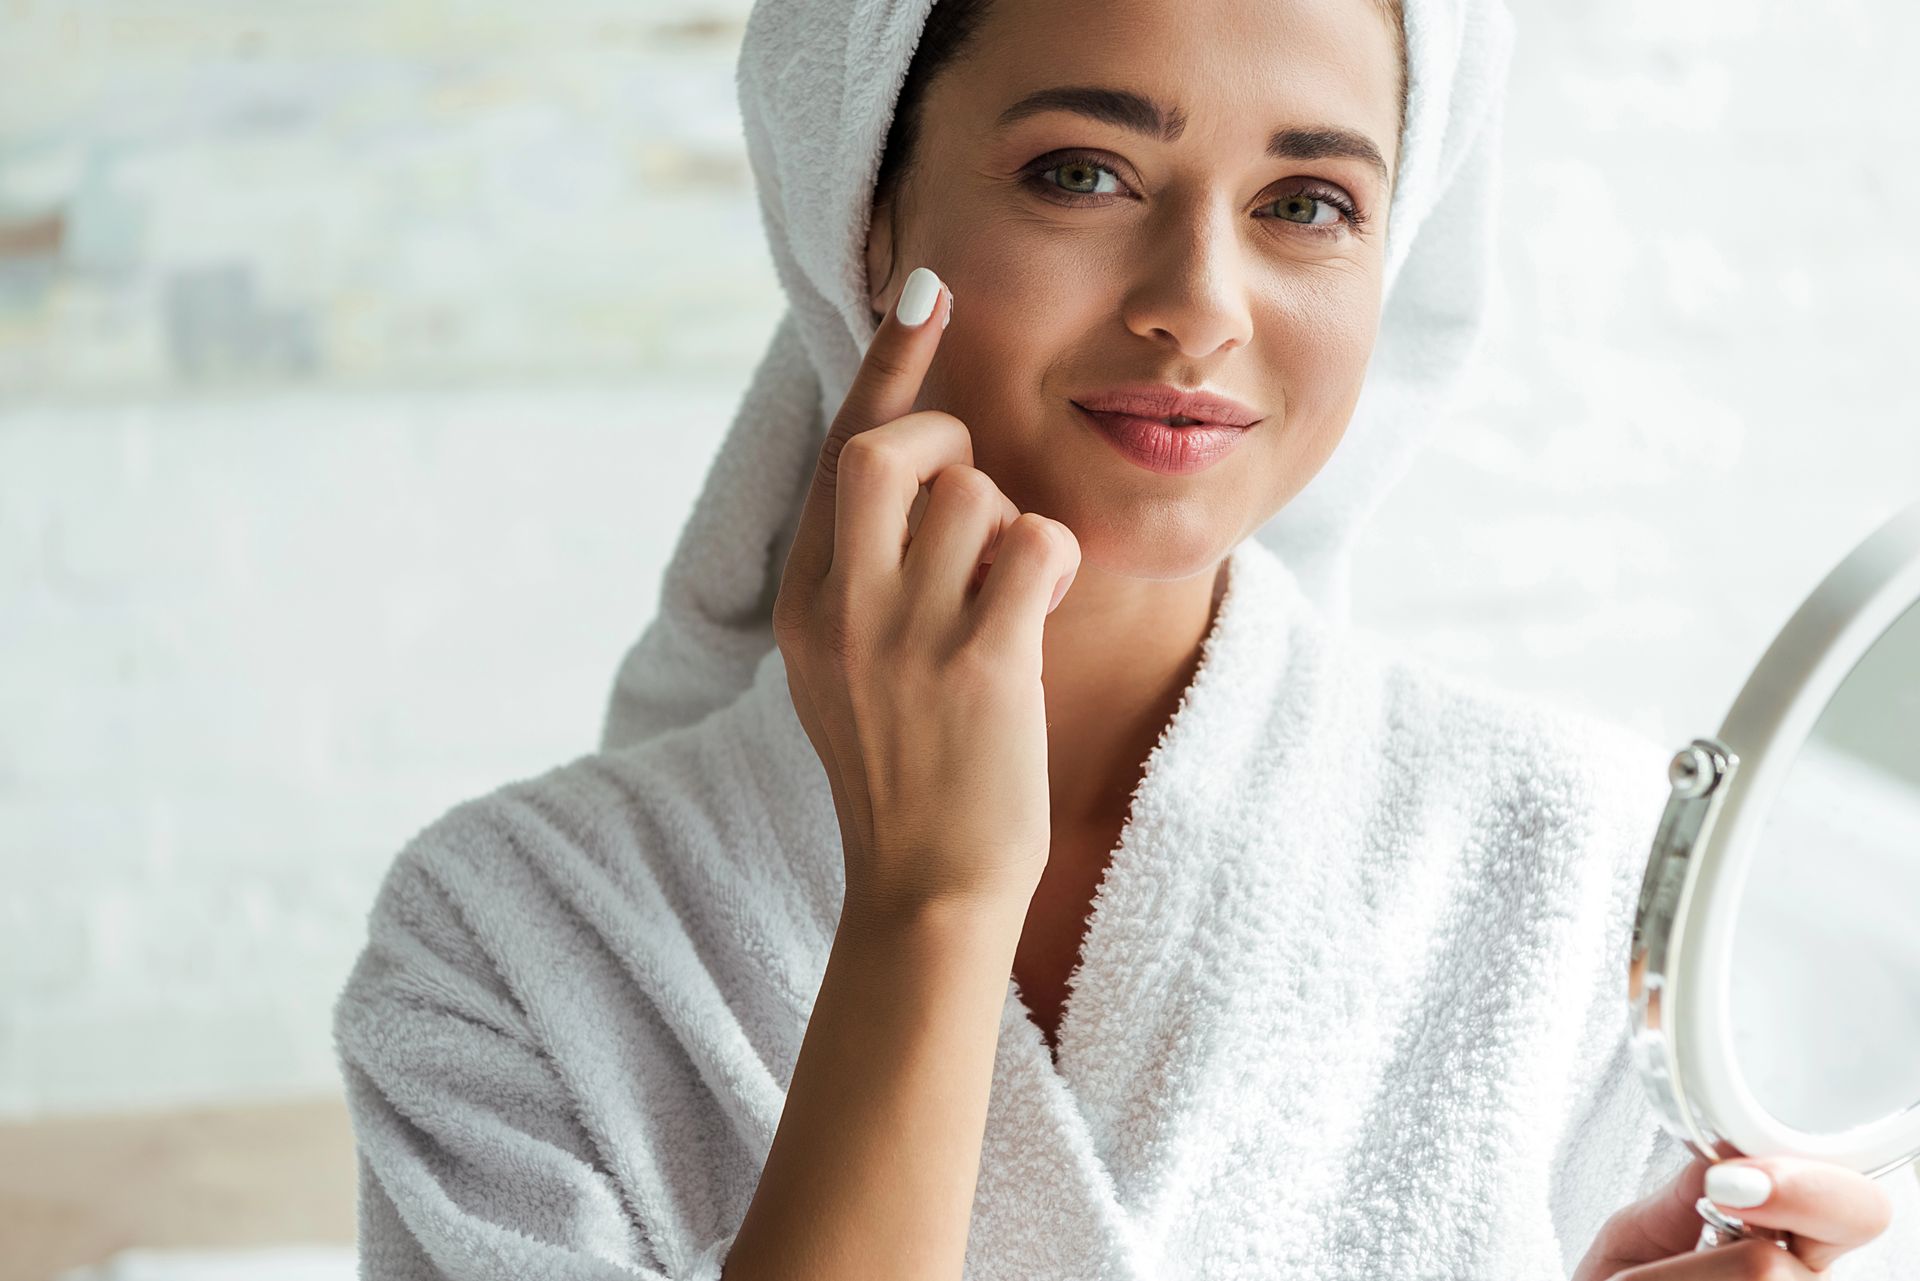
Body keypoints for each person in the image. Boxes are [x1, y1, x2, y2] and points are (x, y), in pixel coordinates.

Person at [332, 1, 1914, 1277]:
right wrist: (930, 903)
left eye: (1309, 203)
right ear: (866, 219)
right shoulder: (508, 942)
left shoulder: (1579, 866)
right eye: (1082, 171)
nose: (1199, 303)